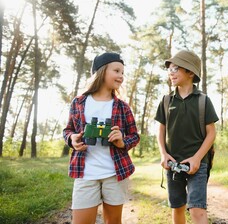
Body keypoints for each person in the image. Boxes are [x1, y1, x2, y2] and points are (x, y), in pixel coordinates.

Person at [63, 52, 140, 224]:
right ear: (102, 71)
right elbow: (68, 130)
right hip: (85, 172)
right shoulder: (79, 102)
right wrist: (72, 139)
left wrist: (122, 141)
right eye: (117, 71)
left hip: (115, 173)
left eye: (122, 72)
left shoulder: (122, 107)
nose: (121, 76)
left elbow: (134, 136)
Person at [155, 50, 219, 224]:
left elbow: (211, 133)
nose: (171, 72)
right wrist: (163, 154)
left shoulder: (203, 101)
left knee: (197, 210)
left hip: (198, 165)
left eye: (176, 68)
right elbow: (160, 131)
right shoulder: (167, 101)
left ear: (190, 72)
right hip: (173, 164)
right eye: (169, 68)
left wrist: (197, 158)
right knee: (177, 208)